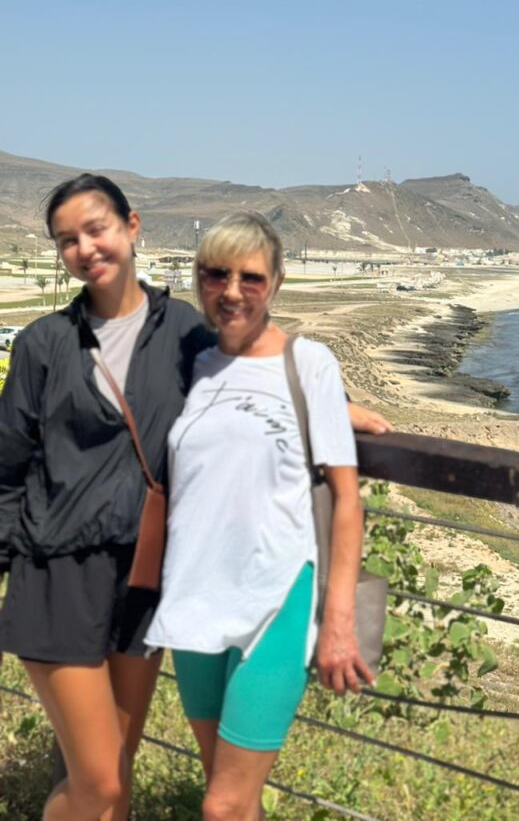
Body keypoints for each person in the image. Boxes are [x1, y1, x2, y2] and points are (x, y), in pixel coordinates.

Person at [0, 175, 390, 821]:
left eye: (96, 228)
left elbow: (250, 363)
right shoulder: (46, 343)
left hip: (144, 582)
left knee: (118, 782)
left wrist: (332, 404)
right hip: (58, 575)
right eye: (67, 240)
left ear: (132, 225)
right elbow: (7, 468)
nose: (85, 248)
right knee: (97, 784)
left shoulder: (183, 332)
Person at [144, 211, 372, 821]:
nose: (233, 290)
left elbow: (348, 501)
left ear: (274, 283)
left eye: (251, 277)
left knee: (222, 806)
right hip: (194, 597)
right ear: (199, 279)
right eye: (216, 275)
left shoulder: (311, 364)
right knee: (227, 792)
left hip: (276, 597)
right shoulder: (190, 363)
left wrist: (338, 622)